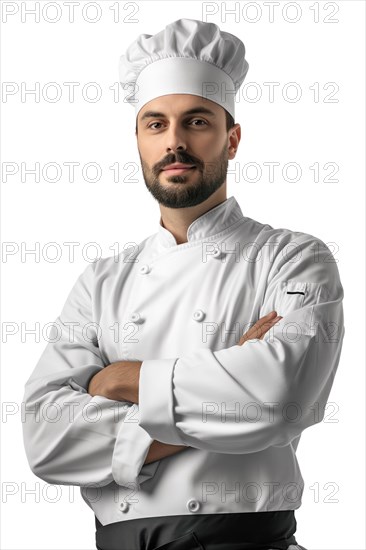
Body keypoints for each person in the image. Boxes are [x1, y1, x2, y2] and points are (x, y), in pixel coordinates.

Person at [22, 18, 345, 550]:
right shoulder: (102, 280)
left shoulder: (292, 256)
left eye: (196, 121)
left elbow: (280, 400)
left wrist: (121, 379)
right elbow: (46, 440)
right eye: (156, 124)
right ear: (139, 141)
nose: (175, 142)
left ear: (232, 137)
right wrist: (228, 372)